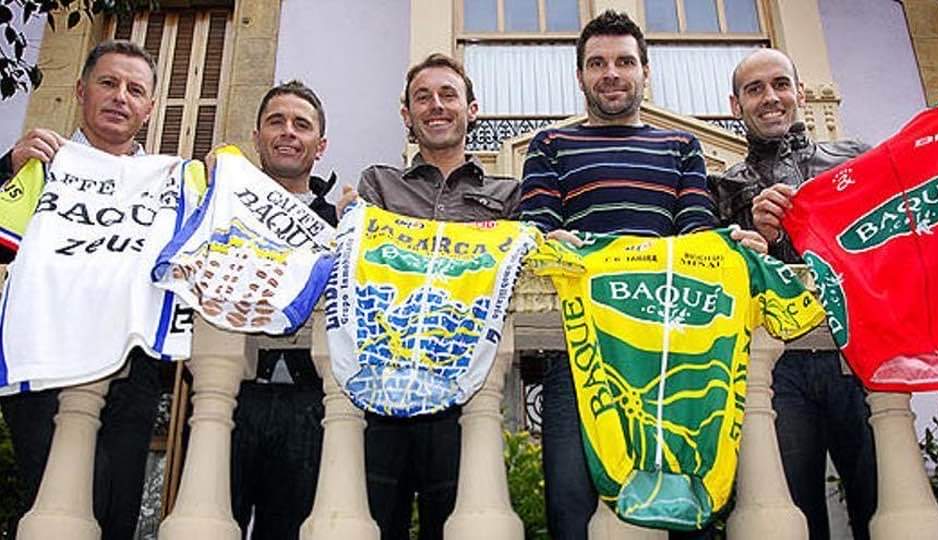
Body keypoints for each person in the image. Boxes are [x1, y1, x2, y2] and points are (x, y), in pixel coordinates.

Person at [517, 11, 765, 539]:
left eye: (624, 62)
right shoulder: (549, 146)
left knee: (689, 510)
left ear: (645, 72)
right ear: (580, 75)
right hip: (577, 354)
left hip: (674, 355)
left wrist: (733, 247)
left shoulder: (681, 148)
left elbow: (696, 235)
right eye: (597, 63)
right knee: (571, 509)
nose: (611, 73)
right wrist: (548, 240)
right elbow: (536, 230)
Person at [339, 52, 519, 540]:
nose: (436, 105)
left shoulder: (510, 196)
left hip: (466, 393)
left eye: (447, 95)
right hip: (382, 389)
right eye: (423, 97)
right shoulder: (378, 185)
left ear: (471, 109)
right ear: (407, 114)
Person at [0, 39, 165, 540]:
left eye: (135, 90)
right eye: (108, 83)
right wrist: (7, 170)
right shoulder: (37, 165)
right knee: (56, 510)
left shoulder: (169, 185)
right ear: (80, 90)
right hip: (41, 365)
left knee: (116, 513)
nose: (120, 97)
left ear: (150, 108)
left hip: (130, 373)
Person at [711, 47, 877, 539]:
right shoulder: (722, 188)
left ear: (800, 93)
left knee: (880, 502)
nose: (770, 98)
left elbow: (882, 245)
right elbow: (714, 273)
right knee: (793, 513)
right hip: (776, 368)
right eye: (754, 89)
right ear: (735, 105)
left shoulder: (855, 161)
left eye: (780, 84)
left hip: (857, 357)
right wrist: (754, 237)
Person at [223, 80, 337, 539]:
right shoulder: (222, 208)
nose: (288, 132)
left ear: (320, 145)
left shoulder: (342, 225)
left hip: (311, 403)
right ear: (257, 137)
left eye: (301, 125)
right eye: (276, 121)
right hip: (232, 394)